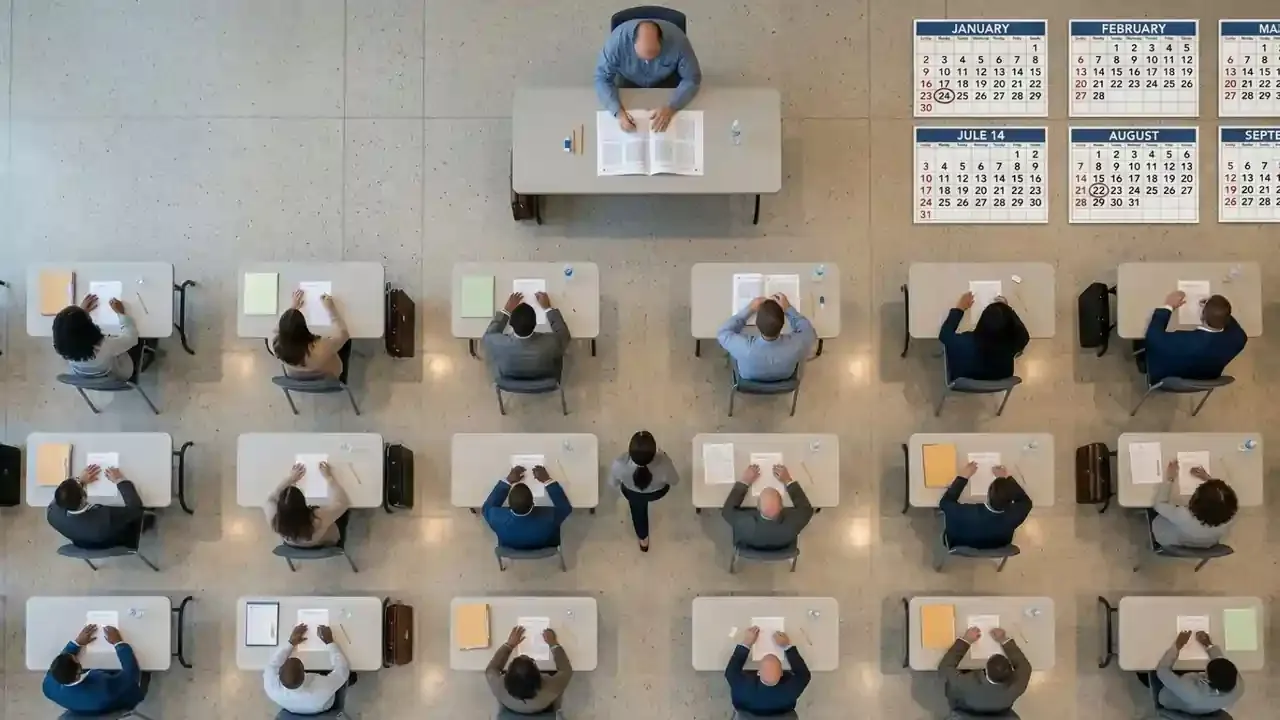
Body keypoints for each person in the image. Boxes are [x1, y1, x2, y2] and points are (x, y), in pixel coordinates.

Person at [594, 17, 702, 132]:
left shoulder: (679, 42)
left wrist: (672, 107)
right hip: (628, 79)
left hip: (664, 80)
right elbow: (601, 78)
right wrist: (618, 113)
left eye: (654, 55)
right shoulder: (616, 43)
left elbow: (692, 78)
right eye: (642, 56)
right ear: (632, 42)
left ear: (661, 41)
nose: (648, 61)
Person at [1139, 290, 1246, 384]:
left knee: (1141, 341)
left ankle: (1142, 362)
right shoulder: (1239, 339)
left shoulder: (1180, 342)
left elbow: (1153, 337)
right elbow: (1230, 324)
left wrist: (1168, 306)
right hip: (1204, 378)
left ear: (1202, 316)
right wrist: (1217, 310)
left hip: (1167, 376)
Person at [43, 623, 147, 714]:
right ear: (78, 671)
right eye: (75, 659)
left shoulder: (48, 686)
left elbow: (63, 662)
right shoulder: (104, 685)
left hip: (83, 707)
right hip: (115, 702)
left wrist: (77, 643)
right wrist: (118, 643)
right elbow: (131, 675)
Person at [1138, 630, 1242, 715]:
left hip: (1168, 696)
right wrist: (1209, 646)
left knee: (1146, 668)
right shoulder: (1239, 686)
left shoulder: (1191, 691)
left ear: (1207, 679)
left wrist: (1177, 646)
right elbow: (1222, 664)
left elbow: (1162, 671)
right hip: (1203, 703)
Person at [717, 294, 816, 382]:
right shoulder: (796, 345)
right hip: (784, 376)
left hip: (748, 377)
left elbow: (723, 332)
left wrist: (750, 309)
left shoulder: (744, 348)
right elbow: (809, 332)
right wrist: (788, 309)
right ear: (783, 324)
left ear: (756, 324)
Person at [609, 430, 680, 552]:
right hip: (656, 493)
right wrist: (664, 457)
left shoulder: (619, 463)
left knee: (637, 512)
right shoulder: (664, 463)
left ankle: (643, 540)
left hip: (632, 493)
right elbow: (674, 481)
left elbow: (613, 483)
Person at [47, 464, 146, 550]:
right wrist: (119, 480)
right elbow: (136, 509)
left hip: (83, 542)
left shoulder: (51, 515)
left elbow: (63, 496)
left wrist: (80, 481)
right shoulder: (105, 518)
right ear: (83, 499)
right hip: (114, 539)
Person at [52, 293, 146, 381]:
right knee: (140, 338)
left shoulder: (65, 349)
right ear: (89, 329)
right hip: (116, 376)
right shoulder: (105, 346)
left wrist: (80, 314)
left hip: (86, 377)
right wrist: (121, 314)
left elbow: (73, 333)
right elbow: (131, 338)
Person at [939, 462, 1032, 549]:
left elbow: (945, 502)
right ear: (1011, 501)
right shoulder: (1014, 515)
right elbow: (1026, 501)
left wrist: (962, 478)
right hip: (997, 546)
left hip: (959, 543)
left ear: (988, 495)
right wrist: (1007, 481)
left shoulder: (962, 512)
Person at [721, 464, 815, 550]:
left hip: (749, 545)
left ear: (758, 507)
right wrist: (788, 480)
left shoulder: (744, 524)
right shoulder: (793, 525)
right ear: (782, 506)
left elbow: (726, 511)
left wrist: (745, 481)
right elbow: (806, 510)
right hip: (782, 546)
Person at [939, 626, 1031, 714]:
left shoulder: (964, 683)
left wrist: (966, 641)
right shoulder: (1017, 686)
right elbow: (1025, 667)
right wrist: (1004, 640)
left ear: (986, 670)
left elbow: (945, 667)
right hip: (997, 711)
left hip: (966, 707)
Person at [264, 623, 352, 715]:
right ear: (305, 673)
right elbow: (342, 670)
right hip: (322, 704)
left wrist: (291, 643)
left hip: (295, 707)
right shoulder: (322, 687)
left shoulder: (271, 686)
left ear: (279, 672)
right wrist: (330, 642)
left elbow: (272, 664)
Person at [939, 292, 1029, 381]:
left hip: (962, 380)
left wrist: (960, 308)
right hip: (1000, 379)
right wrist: (1006, 310)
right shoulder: (1014, 343)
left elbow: (944, 334)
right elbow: (1023, 334)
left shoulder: (961, 344)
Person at [483, 292, 571, 381]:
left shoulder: (497, 343)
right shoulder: (552, 343)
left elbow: (488, 335)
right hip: (544, 382)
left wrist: (506, 311)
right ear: (535, 324)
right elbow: (564, 334)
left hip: (509, 382)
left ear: (511, 323)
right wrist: (548, 309)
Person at [724, 625, 811, 716]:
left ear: (758, 672)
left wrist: (747, 643)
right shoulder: (791, 690)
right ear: (781, 673)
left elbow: (730, 672)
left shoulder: (742, 687)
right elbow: (804, 674)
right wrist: (786, 646)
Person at [486, 625, 573, 715]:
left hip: (511, 705)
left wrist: (509, 645)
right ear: (539, 675)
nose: (524, 655)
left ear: (507, 675)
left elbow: (491, 669)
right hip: (542, 706)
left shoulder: (498, 686)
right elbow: (566, 671)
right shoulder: (551, 688)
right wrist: (553, 644)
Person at [482, 465, 572, 550]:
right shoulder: (550, 517)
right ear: (533, 504)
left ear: (509, 505)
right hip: (545, 545)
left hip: (511, 547)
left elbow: (486, 508)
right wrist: (547, 480)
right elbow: (565, 508)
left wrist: (508, 481)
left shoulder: (496, 517)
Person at [1151, 460, 1238, 548]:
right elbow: (1218, 501)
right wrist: (1208, 480)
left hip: (1172, 540)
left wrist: (1170, 478)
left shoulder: (1183, 515)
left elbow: (1159, 505)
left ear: (1195, 501)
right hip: (1205, 544)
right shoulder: (1230, 517)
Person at [273, 289, 352, 384]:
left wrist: (292, 309)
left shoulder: (277, 346)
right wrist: (331, 309)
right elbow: (344, 334)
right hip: (328, 378)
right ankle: (343, 377)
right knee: (345, 342)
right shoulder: (321, 347)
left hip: (300, 378)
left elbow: (278, 330)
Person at [265, 461, 351, 548]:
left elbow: (272, 497)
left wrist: (291, 479)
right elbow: (343, 502)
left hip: (292, 544)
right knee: (342, 513)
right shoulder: (318, 519)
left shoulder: (273, 518)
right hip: (322, 543)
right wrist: (329, 478)